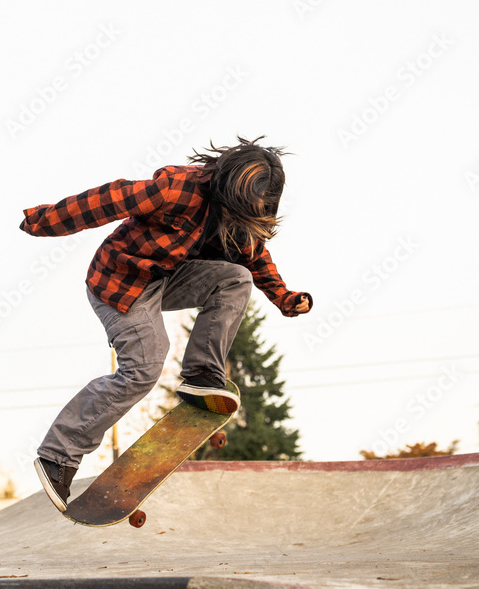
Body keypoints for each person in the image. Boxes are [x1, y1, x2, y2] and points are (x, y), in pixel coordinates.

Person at [20, 136, 313, 511]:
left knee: (236, 278)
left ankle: (201, 374)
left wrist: (286, 298)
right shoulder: (176, 188)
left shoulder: (243, 219)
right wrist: (42, 221)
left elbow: (257, 258)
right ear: (226, 188)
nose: (238, 221)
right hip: (120, 283)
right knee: (144, 367)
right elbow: (109, 199)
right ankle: (58, 455)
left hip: (167, 280)